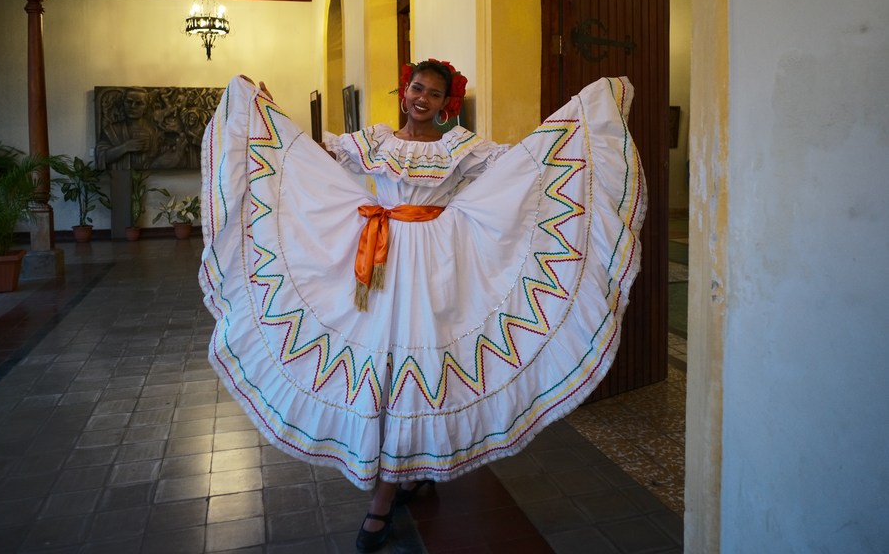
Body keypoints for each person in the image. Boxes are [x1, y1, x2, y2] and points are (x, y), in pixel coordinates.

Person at [199, 60, 646, 552]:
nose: (422, 99)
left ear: (446, 103)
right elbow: (309, 154)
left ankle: (386, 496)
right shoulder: (372, 141)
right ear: (404, 90)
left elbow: (522, 165)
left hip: (433, 272)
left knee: (418, 374)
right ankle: (401, 476)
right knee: (382, 371)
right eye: (417, 88)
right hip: (379, 265)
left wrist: (576, 121)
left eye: (435, 94)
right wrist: (270, 116)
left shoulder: (460, 147)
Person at [95, 87, 157, 170]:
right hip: (119, 177)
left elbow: (156, 158)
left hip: (146, 177)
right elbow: (101, 157)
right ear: (123, 103)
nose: (133, 106)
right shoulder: (111, 130)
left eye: (139, 103)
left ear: (146, 108)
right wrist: (125, 147)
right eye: (129, 102)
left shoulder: (153, 132)